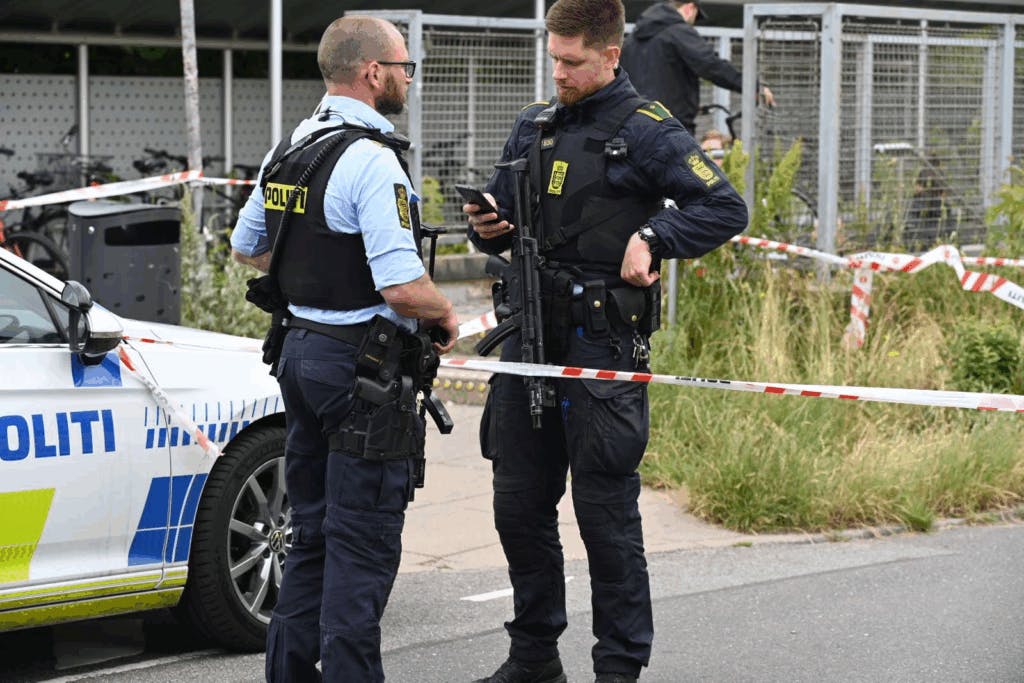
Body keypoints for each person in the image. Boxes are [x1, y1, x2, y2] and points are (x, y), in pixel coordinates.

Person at [463, 1, 747, 681]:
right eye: (554, 59)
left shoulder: (647, 129)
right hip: (529, 339)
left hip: (601, 347)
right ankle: (534, 657)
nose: (559, 73)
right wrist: (486, 226)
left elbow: (724, 207)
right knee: (518, 507)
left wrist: (654, 236)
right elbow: (496, 219)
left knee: (605, 518)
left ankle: (618, 668)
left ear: (611, 55)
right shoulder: (534, 124)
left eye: (573, 61)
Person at [230, 15, 459, 683]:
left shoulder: (290, 148)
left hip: (300, 356)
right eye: (404, 66)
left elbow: (248, 246)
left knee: (311, 537)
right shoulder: (371, 159)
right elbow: (401, 287)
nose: (408, 77)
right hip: (362, 374)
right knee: (362, 548)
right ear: (373, 72)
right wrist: (446, 313)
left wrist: (315, 272)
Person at [620, 1, 774, 136]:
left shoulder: (630, 41)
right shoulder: (679, 31)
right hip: (669, 127)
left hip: (631, 126)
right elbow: (710, 65)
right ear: (690, 8)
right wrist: (752, 86)